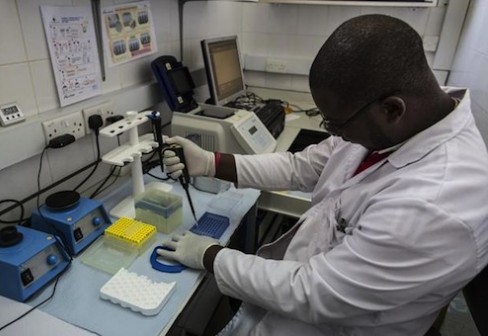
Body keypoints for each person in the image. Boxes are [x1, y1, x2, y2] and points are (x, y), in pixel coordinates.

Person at [158, 14, 488, 336]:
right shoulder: (409, 116)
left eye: (336, 124)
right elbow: (300, 166)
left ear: (391, 109)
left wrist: (211, 255)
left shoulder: (436, 203)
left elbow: (313, 293)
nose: (334, 134)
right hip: (295, 297)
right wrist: (211, 162)